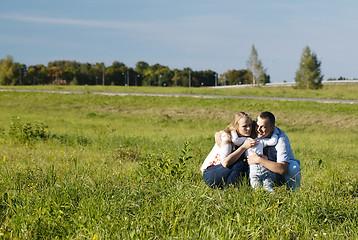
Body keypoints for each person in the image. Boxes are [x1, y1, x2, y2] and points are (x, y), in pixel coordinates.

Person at [200, 112, 258, 188]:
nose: (249, 128)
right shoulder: (227, 137)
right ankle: (231, 191)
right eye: (244, 126)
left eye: (250, 125)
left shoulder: (247, 136)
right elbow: (225, 163)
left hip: (226, 172)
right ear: (236, 127)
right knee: (240, 163)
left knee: (245, 162)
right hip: (211, 173)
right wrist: (243, 147)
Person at [246, 111, 301, 190]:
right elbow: (236, 127)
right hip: (258, 170)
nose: (258, 129)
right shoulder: (251, 128)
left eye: (263, 127)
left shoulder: (280, 138)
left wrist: (258, 160)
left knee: (293, 167)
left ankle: (293, 194)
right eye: (257, 125)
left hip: (278, 171)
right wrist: (222, 134)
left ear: (272, 128)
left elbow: (282, 169)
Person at [231, 127, 279, 192]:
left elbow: (235, 140)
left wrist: (233, 130)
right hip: (261, 168)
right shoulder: (258, 141)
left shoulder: (248, 140)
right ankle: (272, 197)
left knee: (257, 189)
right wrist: (275, 132)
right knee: (267, 187)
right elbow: (273, 141)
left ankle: (266, 198)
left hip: (256, 169)